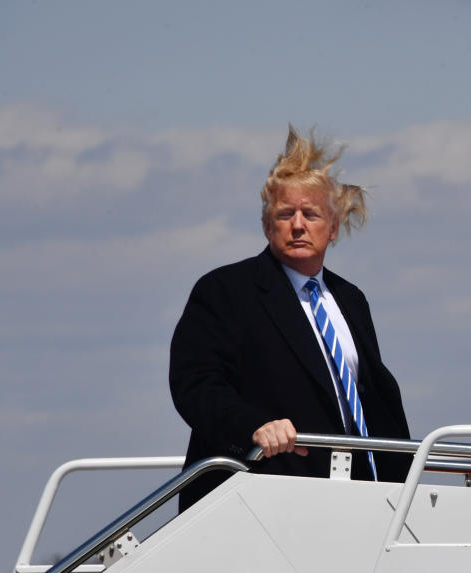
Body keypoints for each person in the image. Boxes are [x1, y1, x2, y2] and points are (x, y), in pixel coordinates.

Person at [169, 126, 411, 512]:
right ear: (268, 226)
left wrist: (406, 477)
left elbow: (371, 399)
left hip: (357, 500)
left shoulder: (351, 299)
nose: (298, 225)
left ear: (332, 228)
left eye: (311, 214)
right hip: (260, 500)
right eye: (285, 214)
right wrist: (254, 426)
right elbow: (196, 385)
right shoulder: (225, 291)